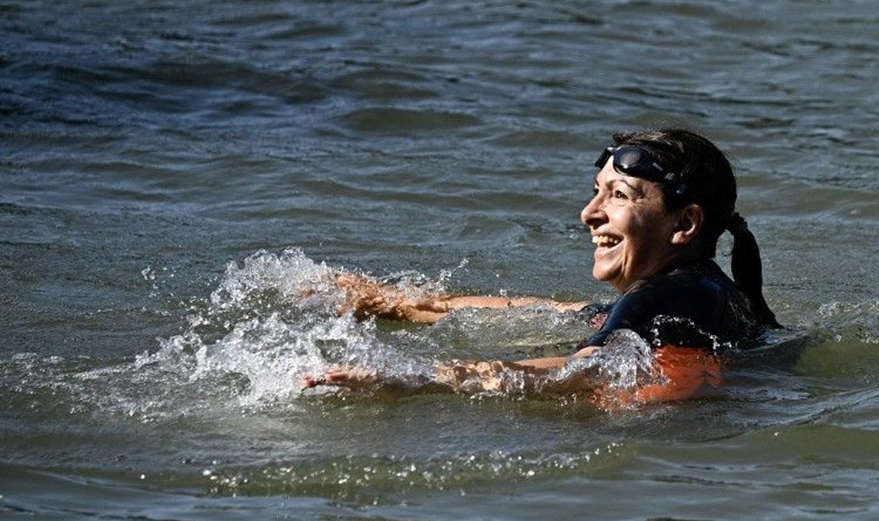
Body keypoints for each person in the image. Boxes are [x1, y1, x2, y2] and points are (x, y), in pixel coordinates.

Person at [302, 127, 780, 403]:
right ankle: (398, 304)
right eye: (597, 191)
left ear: (685, 224)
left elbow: (584, 370)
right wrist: (397, 303)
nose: (589, 213)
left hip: (674, 439)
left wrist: (418, 376)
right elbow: (550, 309)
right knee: (578, 313)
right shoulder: (711, 291)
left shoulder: (665, 295)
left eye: (618, 196)